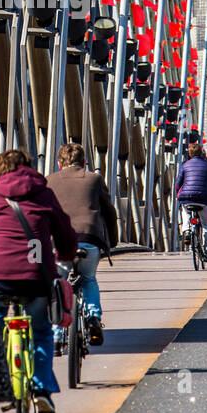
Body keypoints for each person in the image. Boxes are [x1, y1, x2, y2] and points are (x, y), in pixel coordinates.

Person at [0, 148, 77, 413]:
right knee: (40, 331)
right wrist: (66, 256)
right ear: (28, 168)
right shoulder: (44, 194)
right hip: (37, 276)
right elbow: (65, 232)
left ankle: (2, 377)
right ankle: (41, 390)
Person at [47, 141, 118, 347]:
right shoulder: (95, 179)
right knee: (88, 279)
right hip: (90, 239)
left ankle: (57, 335)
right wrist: (111, 242)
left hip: (59, 243)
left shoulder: (50, 180)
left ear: (60, 164)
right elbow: (109, 212)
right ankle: (93, 318)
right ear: (84, 162)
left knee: (59, 282)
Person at [174, 141, 207, 261]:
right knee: (206, 224)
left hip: (186, 197)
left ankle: (187, 231)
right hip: (204, 199)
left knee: (186, 214)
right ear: (202, 153)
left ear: (189, 154)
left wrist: (177, 195)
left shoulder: (184, 165)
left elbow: (178, 184)